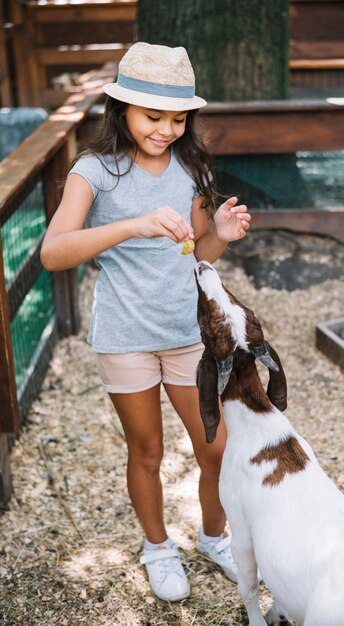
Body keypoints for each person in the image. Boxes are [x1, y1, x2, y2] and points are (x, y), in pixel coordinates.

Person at [41, 42, 251, 602]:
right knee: (148, 451)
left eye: (178, 118)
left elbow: (198, 251)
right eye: (152, 116)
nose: (165, 129)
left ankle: (214, 537)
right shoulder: (94, 171)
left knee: (215, 449)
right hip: (126, 338)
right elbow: (53, 252)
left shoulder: (192, 165)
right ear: (122, 110)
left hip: (186, 331)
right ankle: (158, 548)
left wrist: (220, 237)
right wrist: (131, 225)